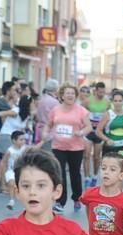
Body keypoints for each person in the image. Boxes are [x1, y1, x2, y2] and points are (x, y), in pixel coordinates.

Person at [44, 83, 91, 213]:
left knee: (75, 173)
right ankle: (60, 201)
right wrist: (45, 133)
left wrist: (81, 133)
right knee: (60, 173)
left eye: (72, 93)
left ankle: (77, 198)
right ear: (62, 96)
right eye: (67, 93)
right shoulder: (55, 110)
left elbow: (88, 127)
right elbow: (48, 125)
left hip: (76, 147)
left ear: (75, 96)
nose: (70, 95)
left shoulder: (81, 110)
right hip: (58, 146)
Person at [84, 82, 109, 187]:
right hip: (89, 130)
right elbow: (82, 112)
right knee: (86, 155)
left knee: (97, 157)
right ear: (96, 91)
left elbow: (108, 115)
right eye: (100, 92)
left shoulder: (107, 102)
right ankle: (86, 177)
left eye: (103, 91)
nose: (102, 93)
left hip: (99, 131)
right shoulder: (88, 100)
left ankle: (94, 175)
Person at [96, 89, 123, 156]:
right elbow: (98, 131)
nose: (118, 103)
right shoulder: (108, 114)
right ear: (112, 102)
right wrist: (107, 140)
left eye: (120, 101)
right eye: (115, 101)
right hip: (111, 147)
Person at [3, 130, 28, 210]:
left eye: (24, 139)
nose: (23, 141)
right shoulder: (10, 151)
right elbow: (4, 162)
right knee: (12, 184)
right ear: (14, 140)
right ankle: (11, 200)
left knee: (22, 186)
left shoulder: (25, 149)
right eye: (21, 140)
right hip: (11, 170)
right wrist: (2, 174)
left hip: (22, 171)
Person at [36, 79, 59, 148]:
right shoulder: (55, 102)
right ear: (56, 89)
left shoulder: (41, 99)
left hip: (40, 130)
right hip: (50, 133)